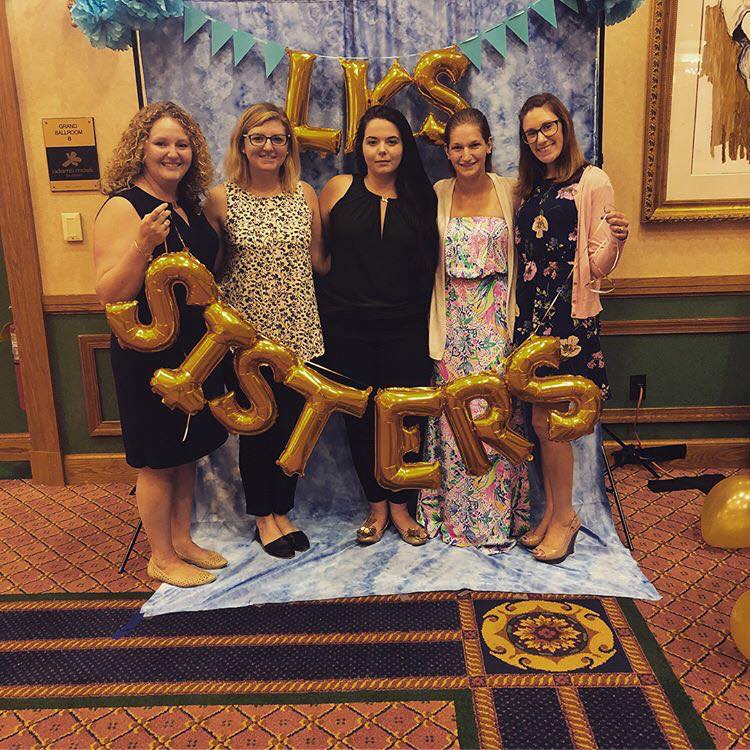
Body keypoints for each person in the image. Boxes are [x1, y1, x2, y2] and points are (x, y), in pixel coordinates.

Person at [94, 102, 228, 588]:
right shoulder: (124, 206)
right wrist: (142, 244)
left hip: (195, 351)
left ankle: (182, 541)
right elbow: (108, 292)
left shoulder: (187, 205)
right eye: (162, 143)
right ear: (141, 149)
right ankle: (161, 556)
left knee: (186, 452)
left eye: (182, 144)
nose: (173, 153)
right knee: (157, 459)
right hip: (148, 356)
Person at [203, 103, 327, 560]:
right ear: (242, 143)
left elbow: (319, 262)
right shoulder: (220, 199)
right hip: (248, 341)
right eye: (258, 138)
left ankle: (283, 510)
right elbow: (212, 270)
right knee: (259, 429)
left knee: (294, 429)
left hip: (299, 335)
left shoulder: (305, 194)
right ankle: (262, 516)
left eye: (277, 139)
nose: (268, 147)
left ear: (289, 146)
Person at [513, 92, 629, 564]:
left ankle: (566, 517)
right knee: (538, 424)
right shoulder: (530, 187)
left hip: (568, 321)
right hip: (531, 319)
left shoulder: (591, 180)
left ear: (564, 126)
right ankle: (552, 511)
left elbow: (598, 266)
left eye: (548, 127)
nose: (541, 138)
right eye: (531, 133)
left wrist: (617, 241)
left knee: (554, 423)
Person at [317, 105, 439, 546]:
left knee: (407, 420)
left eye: (391, 141)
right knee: (361, 420)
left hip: (407, 330)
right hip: (347, 329)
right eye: (372, 141)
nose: (382, 150)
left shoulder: (425, 198)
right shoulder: (337, 188)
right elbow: (319, 260)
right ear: (361, 147)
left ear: (404, 146)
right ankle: (376, 507)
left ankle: (402, 507)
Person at [417, 108, 531, 554]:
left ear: (489, 146)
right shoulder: (437, 194)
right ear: (447, 152)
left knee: (495, 417)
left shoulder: (511, 191)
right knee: (453, 421)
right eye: (457, 147)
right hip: (450, 325)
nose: (466, 155)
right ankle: (451, 516)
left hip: (497, 325)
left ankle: (496, 518)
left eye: (474, 145)